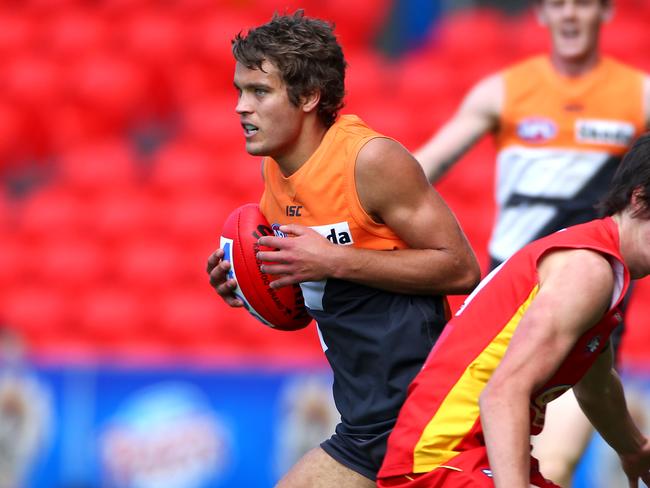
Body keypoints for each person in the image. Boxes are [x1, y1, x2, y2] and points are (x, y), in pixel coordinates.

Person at [205, 10, 480, 488]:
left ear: (309, 97)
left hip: (422, 418)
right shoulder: (275, 174)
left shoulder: (371, 160)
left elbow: (461, 268)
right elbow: (313, 299)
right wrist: (251, 284)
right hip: (364, 423)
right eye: (239, 91)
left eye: (259, 92)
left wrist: (333, 259)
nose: (240, 108)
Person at [414, 0, 650, 485]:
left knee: (555, 461)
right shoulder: (503, 92)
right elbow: (421, 169)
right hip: (523, 290)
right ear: (540, 14)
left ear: (604, 13)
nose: (568, 15)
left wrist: (635, 449)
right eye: (556, 4)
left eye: (582, 4)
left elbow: (598, 386)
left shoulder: (639, 95)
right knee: (509, 427)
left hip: (598, 287)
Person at [377, 132, 650, 488]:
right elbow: (502, 394)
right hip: (444, 462)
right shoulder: (588, 270)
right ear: (640, 199)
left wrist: (633, 447)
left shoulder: (596, 263)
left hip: (467, 457)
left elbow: (595, 385)